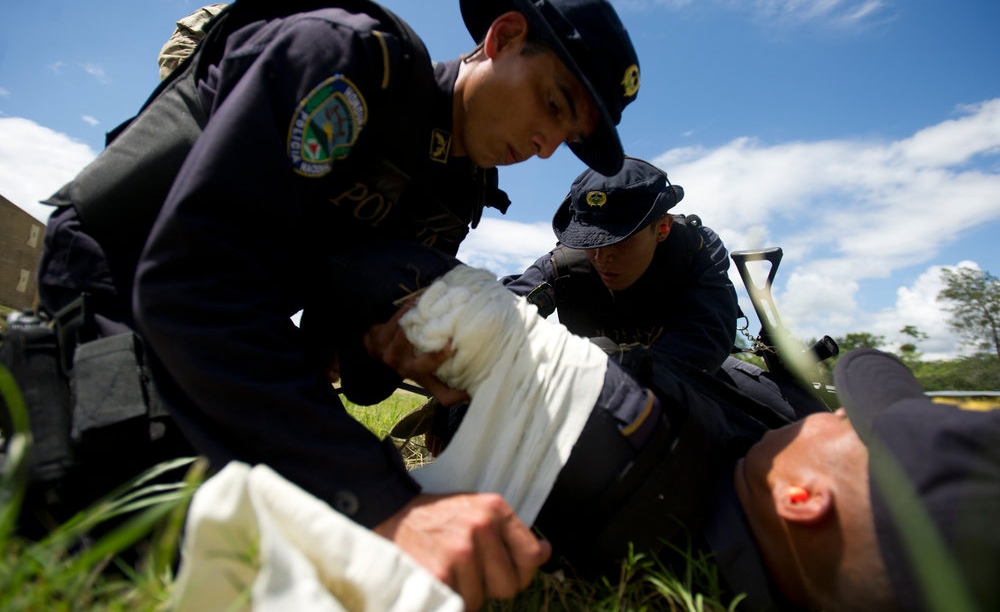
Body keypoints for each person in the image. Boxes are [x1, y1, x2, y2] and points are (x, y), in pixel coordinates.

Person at [23, 0, 641, 610]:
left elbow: (333, 355)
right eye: (553, 102)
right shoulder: (354, 63)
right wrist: (383, 502)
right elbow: (192, 276)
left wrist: (386, 349)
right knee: (174, 538)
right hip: (122, 273)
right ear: (505, 37)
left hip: (228, 322)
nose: (547, 145)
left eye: (567, 139)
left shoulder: (449, 200)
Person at [340, 243, 1000, 611]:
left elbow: (411, 288)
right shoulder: (757, 490)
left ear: (802, 499)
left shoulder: (621, 430)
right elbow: (874, 372)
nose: (835, 415)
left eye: (851, 431)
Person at [502, 156, 738, 376]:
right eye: (589, 241)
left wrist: (624, 371)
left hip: (687, 378)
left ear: (663, 228)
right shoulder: (560, 266)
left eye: (620, 240)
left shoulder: (698, 249)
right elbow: (499, 316)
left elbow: (707, 337)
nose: (601, 257)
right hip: (585, 381)